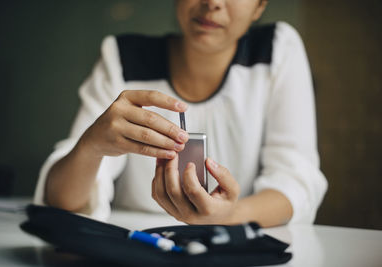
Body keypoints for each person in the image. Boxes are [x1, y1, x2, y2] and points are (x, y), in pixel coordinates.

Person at [34, 0, 328, 227]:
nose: (212, 2)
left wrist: (229, 214)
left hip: (234, 243)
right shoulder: (122, 57)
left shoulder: (278, 49)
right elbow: (63, 204)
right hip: (134, 245)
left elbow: (296, 181)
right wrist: (90, 147)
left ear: (260, 6)